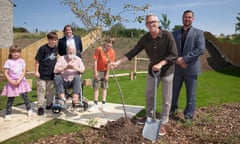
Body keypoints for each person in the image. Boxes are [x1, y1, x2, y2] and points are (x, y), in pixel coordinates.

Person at [110, 14, 178, 136]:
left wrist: (161, 64)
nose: (151, 24)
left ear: (158, 22)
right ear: (146, 25)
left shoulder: (167, 35)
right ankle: (149, 117)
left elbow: (174, 54)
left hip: (167, 70)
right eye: (148, 22)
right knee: (149, 95)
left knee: (166, 99)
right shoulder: (145, 38)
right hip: (152, 71)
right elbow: (133, 51)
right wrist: (118, 62)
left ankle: (164, 122)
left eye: (153, 21)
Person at [170, 10, 205, 121]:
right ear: (182, 18)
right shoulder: (174, 33)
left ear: (193, 19)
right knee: (174, 92)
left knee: (191, 94)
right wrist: (178, 60)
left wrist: (185, 59)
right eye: (185, 17)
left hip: (191, 68)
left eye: (189, 17)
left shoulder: (198, 33)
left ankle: (188, 116)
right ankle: (172, 111)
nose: (187, 19)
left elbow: (200, 49)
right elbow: (171, 49)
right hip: (177, 69)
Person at [1, 45, 32, 121]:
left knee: (25, 97)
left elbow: (24, 71)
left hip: (21, 81)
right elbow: (5, 73)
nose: (16, 53)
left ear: (20, 53)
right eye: (14, 52)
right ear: (10, 53)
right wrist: (11, 81)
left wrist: (19, 80)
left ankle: (29, 110)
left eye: (18, 52)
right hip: (11, 82)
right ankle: (8, 114)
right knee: (10, 99)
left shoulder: (22, 61)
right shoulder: (8, 61)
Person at [88, 38, 115, 112]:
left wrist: (107, 74)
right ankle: (95, 104)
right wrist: (95, 71)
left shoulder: (112, 52)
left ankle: (103, 104)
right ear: (105, 42)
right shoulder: (99, 49)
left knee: (104, 87)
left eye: (111, 43)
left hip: (105, 70)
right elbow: (95, 60)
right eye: (108, 42)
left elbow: (110, 64)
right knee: (96, 87)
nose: (109, 44)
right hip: (98, 70)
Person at [35, 32, 58, 115]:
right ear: (48, 40)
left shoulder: (56, 48)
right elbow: (37, 61)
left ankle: (49, 104)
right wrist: (36, 71)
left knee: (50, 91)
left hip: (52, 74)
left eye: (55, 40)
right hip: (42, 74)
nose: (54, 41)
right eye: (52, 40)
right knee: (41, 90)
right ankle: (40, 107)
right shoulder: (43, 48)